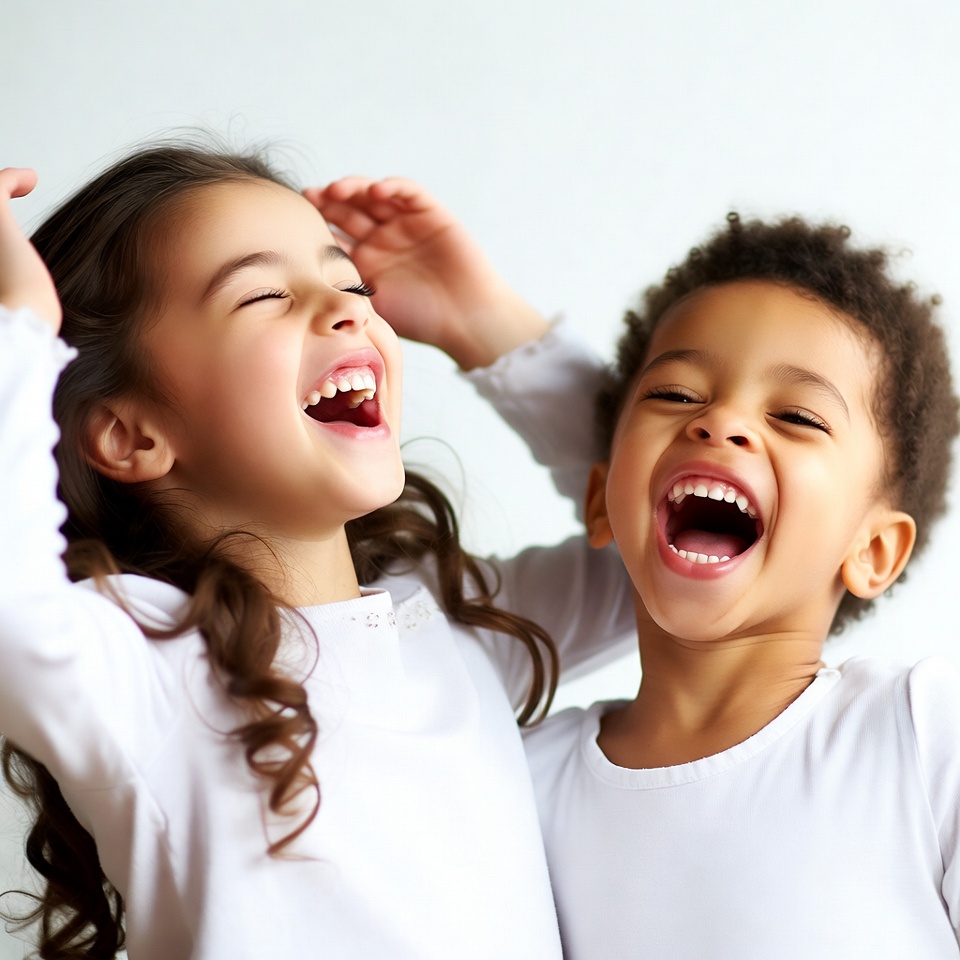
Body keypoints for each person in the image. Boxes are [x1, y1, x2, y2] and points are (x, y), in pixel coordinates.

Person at [0, 145, 632, 960]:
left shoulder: (455, 628)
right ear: (130, 434)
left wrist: (489, 327)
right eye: (264, 293)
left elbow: (660, 556)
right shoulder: (146, 673)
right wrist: (16, 325)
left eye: (351, 283)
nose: (345, 310)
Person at [523, 212, 960, 959]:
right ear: (601, 500)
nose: (720, 421)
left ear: (874, 549)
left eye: (795, 415)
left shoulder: (923, 735)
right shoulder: (521, 781)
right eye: (675, 396)